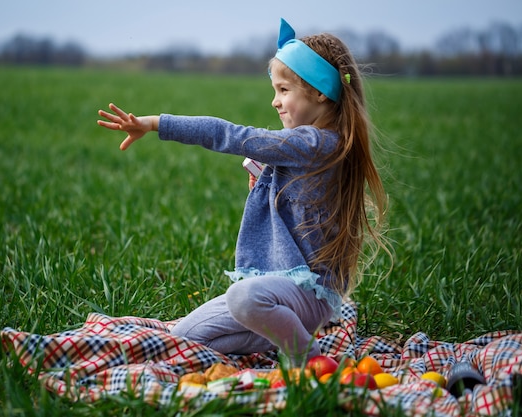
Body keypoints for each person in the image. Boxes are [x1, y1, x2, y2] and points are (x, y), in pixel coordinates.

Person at [97, 19, 389, 365]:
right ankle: (276, 337)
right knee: (183, 339)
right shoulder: (311, 144)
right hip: (276, 289)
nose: (274, 102)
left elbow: (230, 135)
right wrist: (266, 187)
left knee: (242, 297)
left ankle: (308, 361)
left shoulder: (315, 143)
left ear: (319, 91)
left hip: (304, 294)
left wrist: (157, 123)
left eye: (284, 90)